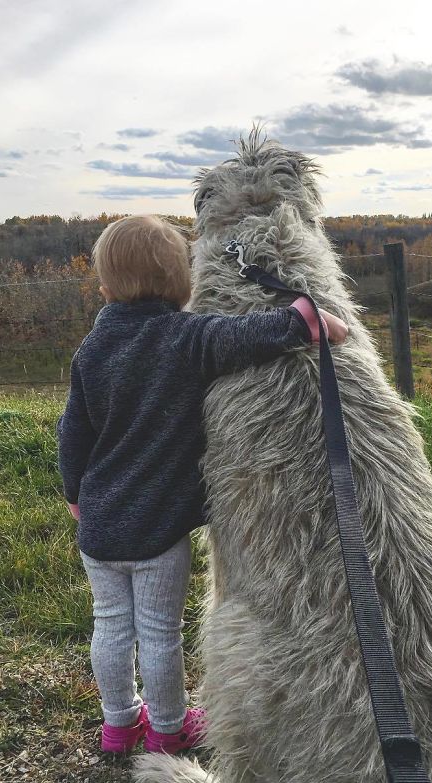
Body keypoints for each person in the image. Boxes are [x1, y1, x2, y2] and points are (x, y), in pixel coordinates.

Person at [57, 215, 347, 754]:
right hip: (158, 533)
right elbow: (244, 335)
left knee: (111, 627)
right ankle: (168, 730)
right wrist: (307, 319)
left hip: (98, 528)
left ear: (104, 288)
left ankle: (118, 726)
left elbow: (74, 432)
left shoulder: (92, 350)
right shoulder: (186, 338)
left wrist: (75, 493)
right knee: (160, 633)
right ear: (183, 285)